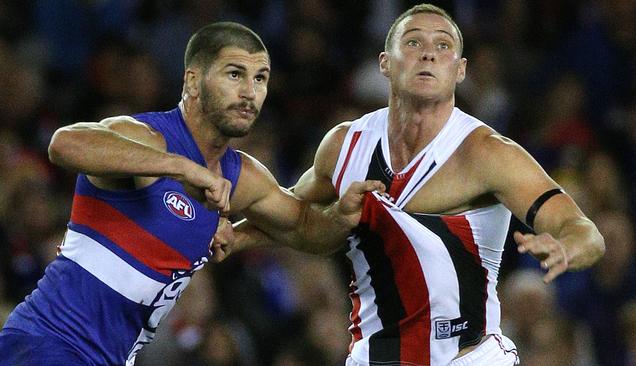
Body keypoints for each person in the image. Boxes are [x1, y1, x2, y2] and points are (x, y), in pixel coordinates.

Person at [226, 4, 605, 366]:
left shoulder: (487, 153)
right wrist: (233, 235)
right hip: (371, 357)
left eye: (443, 46)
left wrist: (565, 247)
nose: (429, 54)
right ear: (385, 64)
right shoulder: (345, 145)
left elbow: (583, 230)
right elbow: (294, 215)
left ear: (460, 70)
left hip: (467, 358)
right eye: (413, 42)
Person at [0, 22, 383, 366]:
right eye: (235, 74)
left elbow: (305, 230)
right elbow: (65, 144)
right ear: (192, 82)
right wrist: (182, 166)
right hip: (45, 344)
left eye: (261, 78)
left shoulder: (243, 176)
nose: (250, 92)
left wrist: (342, 214)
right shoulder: (146, 136)